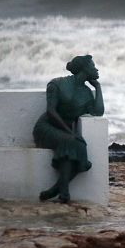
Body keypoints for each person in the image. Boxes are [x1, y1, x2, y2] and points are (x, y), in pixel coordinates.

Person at [33, 55, 104, 203]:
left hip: (65, 132)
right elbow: (51, 112)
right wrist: (69, 131)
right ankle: (64, 193)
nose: (96, 69)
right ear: (84, 69)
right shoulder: (58, 84)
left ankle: (56, 190)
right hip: (46, 127)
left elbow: (99, 111)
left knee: (80, 146)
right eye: (93, 66)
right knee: (72, 141)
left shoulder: (86, 93)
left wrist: (97, 87)